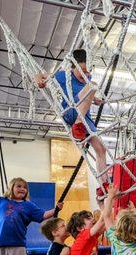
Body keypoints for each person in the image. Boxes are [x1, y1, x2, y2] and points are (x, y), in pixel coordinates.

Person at [35, 49, 108, 197]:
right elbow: (40, 75)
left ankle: (103, 185)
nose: (85, 75)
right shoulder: (64, 76)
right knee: (92, 85)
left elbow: (89, 95)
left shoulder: (88, 79)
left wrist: (96, 100)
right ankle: (78, 125)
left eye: (88, 71)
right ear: (73, 68)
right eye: (81, 71)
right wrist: (38, 79)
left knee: (101, 149)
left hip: (85, 118)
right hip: (70, 110)